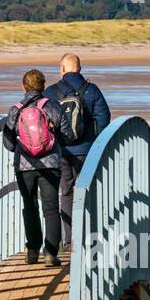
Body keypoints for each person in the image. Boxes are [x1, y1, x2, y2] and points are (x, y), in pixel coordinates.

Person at [46, 52, 111, 249]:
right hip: (88, 151)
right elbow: (104, 118)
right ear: (80, 69)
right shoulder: (92, 90)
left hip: (62, 151)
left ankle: (70, 240)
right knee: (89, 192)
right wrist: (95, 141)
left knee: (66, 192)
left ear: (62, 69)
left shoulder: (51, 92)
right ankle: (89, 239)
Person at [3, 69, 63, 266]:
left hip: (24, 165)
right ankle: (51, 254)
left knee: (30, 207)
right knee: (51, 208)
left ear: (24, 87)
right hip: (50, 164)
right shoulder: (51, 106)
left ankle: (32, 251)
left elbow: (9, 142)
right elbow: (65, 134)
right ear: (43, 86)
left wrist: (23, 148)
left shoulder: (16, 109)